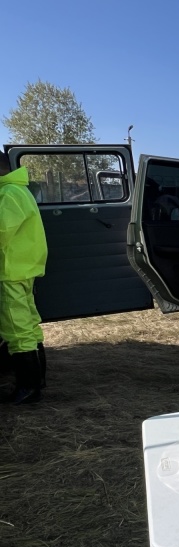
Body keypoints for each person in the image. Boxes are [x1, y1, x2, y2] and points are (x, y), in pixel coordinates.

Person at [0, 152, 48, 405]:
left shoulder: (9, 194)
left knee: (16, 329)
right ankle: (37, 381)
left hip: (11, 271)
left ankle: (28, 388)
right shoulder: (18, 190)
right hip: (22, 269)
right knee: (28, 325)